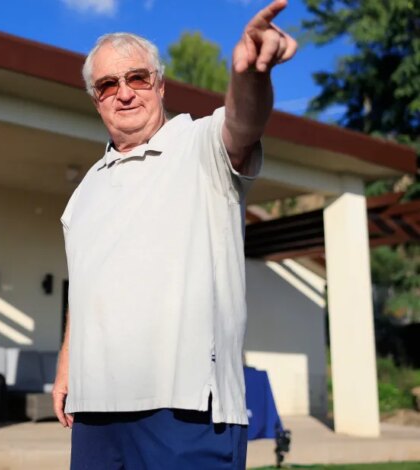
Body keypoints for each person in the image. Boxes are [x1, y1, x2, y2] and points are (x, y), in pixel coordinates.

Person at [52, 1, 297, 468]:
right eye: (108, 85)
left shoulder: (200, 144)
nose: (124, 93)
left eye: (137, 78)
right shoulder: (84, 192)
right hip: (96, 411)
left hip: (187, 409)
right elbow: (85, 284)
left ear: (160, 84)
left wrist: (250, 75)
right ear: (96, 99)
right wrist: (67, 363)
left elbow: (244, 122)